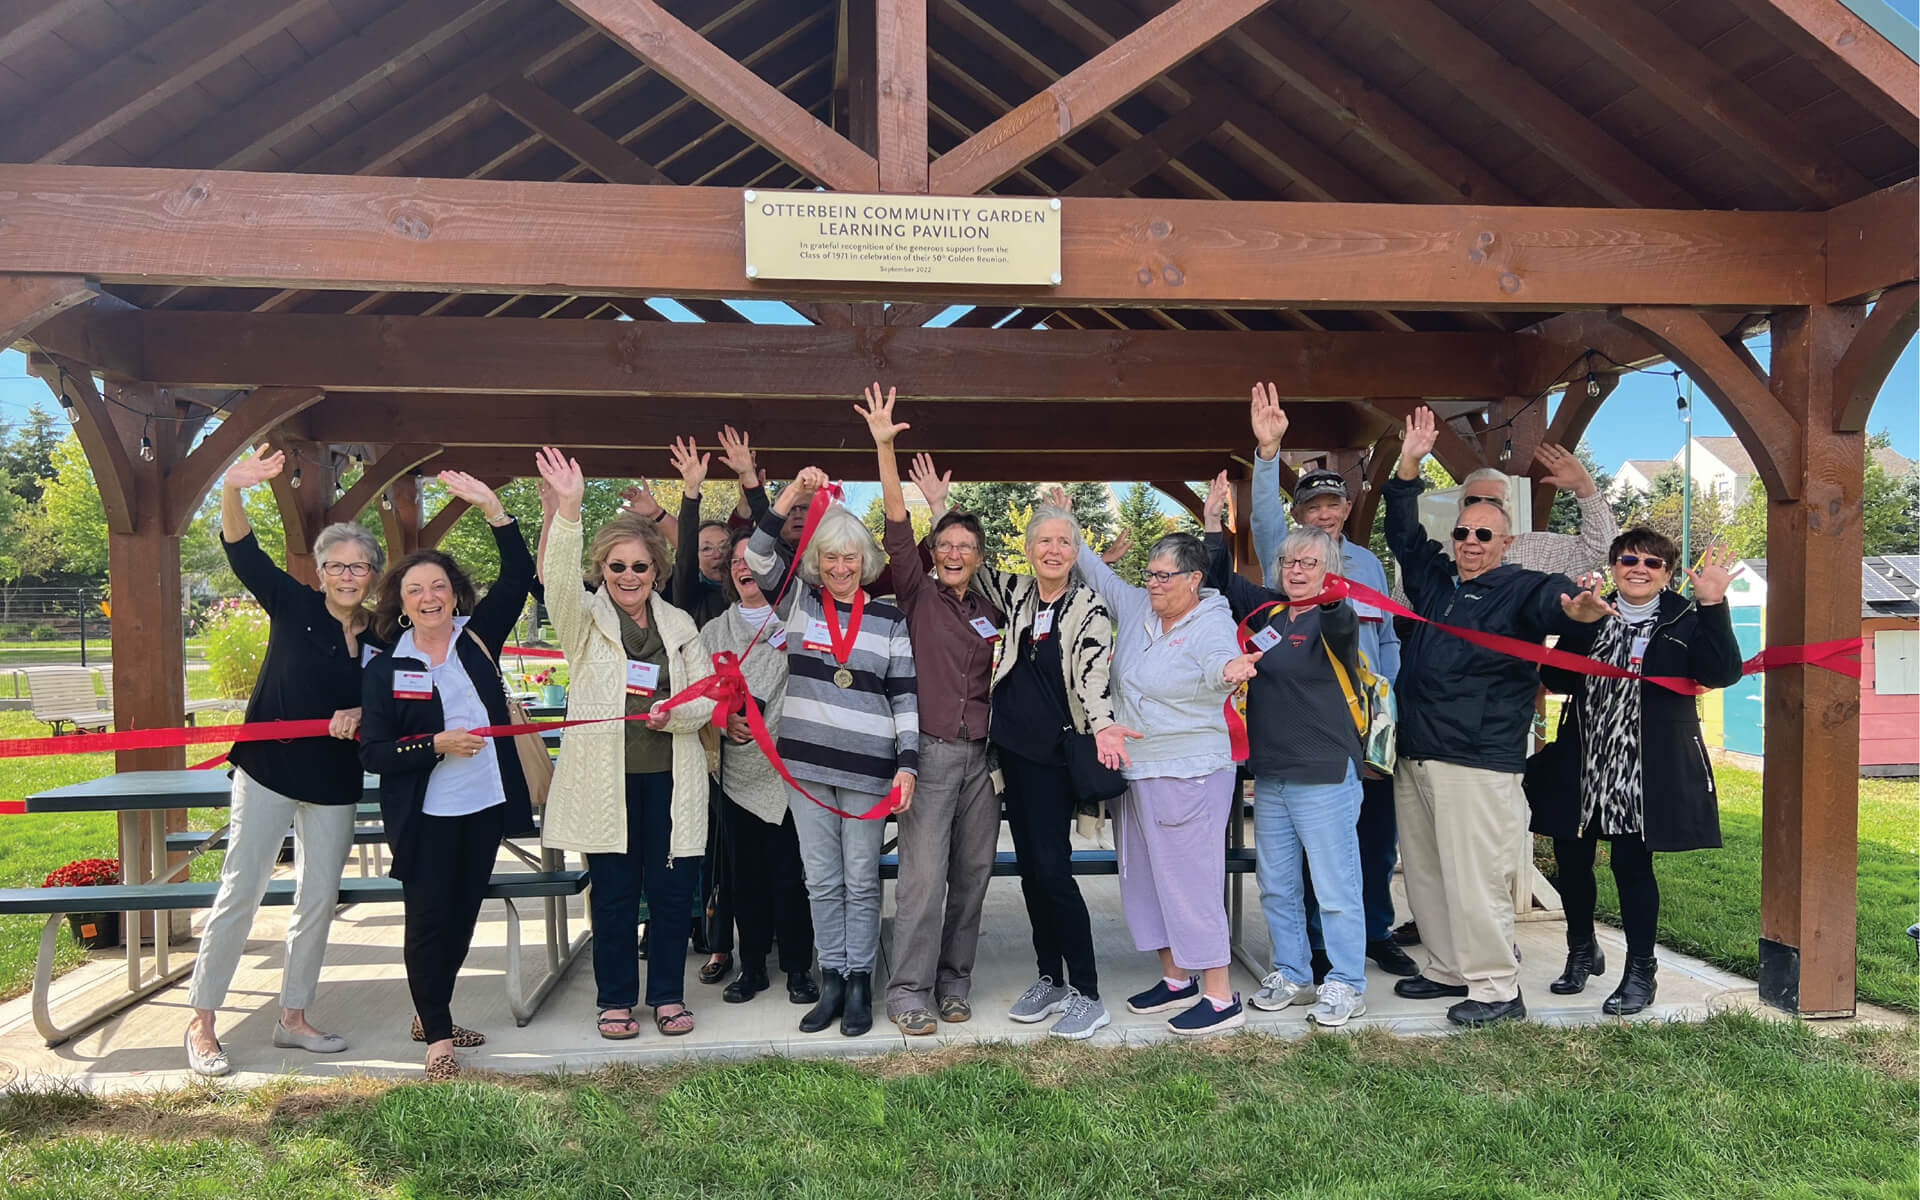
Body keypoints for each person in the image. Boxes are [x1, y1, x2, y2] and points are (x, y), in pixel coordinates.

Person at [1385, 407, 1613, 1028]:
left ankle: (1495, 988)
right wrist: (1408, 465)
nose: (1470, 544)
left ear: (1505, 542)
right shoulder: (1436, 583)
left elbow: (1560, 608)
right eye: (1463, 534)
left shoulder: (1520, 585)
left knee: (1475, 877)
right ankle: (1446, 968)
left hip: (1478, 757)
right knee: (1427, 872)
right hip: (1419, 748)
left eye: (1483, 535)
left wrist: (1583, 613)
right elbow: (1403, 535)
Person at [182, 447, 385, 1078]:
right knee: (241, 890)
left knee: (318, 898)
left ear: (373, 575)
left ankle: (293, 1017)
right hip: (267, 771)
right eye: (336, 566)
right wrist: (233, 487)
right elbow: (244, 553)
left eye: (359, 566)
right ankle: (203, 1022)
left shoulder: (381, 637)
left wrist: (364, 717)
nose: (347, 575)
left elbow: (397, 704)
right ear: (321, 572)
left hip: (333, 782)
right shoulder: (294, 604)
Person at [911, 458, 1119, 1040]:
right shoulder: (1019, 595)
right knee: (1030, 873)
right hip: (1014, 764)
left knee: (1054, 873)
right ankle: (1048, 978)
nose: (1052, 550)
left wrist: (1103, 725)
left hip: (1057, 763)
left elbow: (1092, 676)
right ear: (1028, 550)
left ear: (1076, 551)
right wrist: (936, 507)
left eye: (1063, 541)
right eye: (1043, 541)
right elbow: (964, 568)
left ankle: (1088, 991)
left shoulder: (1089, 609)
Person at [534, 447, 716, 1040]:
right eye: (617, 567)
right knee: (613, 896)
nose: (629, 577)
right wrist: (568, 510)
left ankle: (666, 995)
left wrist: (676, 719)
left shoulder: (681, 627)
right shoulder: (583, 623)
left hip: (671, 781)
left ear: (656, 571)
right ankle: (615, 998)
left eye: (639, 567)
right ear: (602, 571)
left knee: (670, 894)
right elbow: (557, 580)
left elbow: (707, 700)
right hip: (606, 785)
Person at [359, 472, 535, 1079]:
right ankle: (438, 1039)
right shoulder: (387, 668)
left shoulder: (477, 638)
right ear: (400, 601)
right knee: (428, 919)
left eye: (439, 586)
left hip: (483, 803)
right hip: (424, 815)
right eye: (415, 589)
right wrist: (432, 744)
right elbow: (374, 754)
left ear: (455, 595)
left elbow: (517, 577)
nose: (429, 596)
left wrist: (493, 509)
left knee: (461, 915)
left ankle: (428, 1009)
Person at [1530, 534, 1744, 1015]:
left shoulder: (1685, 619)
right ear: (1613, 566)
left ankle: (1641, 970)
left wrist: (1713, 603)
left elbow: (1724, 671)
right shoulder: (1593, 611)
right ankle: (1582, 950)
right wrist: (1579, 627)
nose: (1639, 568)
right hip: (1584, 759)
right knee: (1571, 859)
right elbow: (1560, 679)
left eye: (1653, 561)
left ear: (1667, 572)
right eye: (1629, 559)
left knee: (1631, 866)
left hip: (1643, 767)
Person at [1244, 384, 1414, 979]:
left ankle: (1376, 933)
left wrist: (1385, 712)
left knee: (1372, 839)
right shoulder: (1285, 561)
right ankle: (1313, 949)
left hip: (1368, 723)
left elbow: (1388, 640)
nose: (1322, 513)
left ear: (1345, 510)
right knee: (1306, 853)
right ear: (1300, 516)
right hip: (1311, 730)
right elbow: (1263, 516)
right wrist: (1269, 454)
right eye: (1311, 506)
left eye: (1331, 505)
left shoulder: (1368, 566)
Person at [745, 466, 917, 1038]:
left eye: (850, 558)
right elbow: (758, 553)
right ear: (817, 562)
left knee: (862, 879)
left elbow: (904, 697)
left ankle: (862, 981)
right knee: (821, 879)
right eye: (829, 559)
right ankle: (833, 979)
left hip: (870, 770)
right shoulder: (799, 603)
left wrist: (908, 766)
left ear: (863, 561)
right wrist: (793, 492)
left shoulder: (890, 618)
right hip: (808, 769)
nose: (840, 568)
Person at [1073, 519, 1261, 1037]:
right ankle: (1176, 979)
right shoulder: (1137, 608)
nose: (1152, 583)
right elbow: (1096, 574)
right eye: (1149, 574)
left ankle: (1221, 996)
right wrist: (1070, 525)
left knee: (1190, 883)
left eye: (1163, 576)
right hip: (1134, 770)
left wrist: (1230, 671)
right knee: (1144, 879)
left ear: (1194, 578)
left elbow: (1220, 662)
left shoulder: (1210, 623)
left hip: (1189, 772)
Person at [854, 386, 1003, 1036]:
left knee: (972, 877)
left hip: (985, 761)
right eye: (944, 543)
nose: (952, 552)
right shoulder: (915, 591)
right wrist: (885, 445)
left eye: (964, 546)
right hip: (932, 753)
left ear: (977, 555)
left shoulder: (991, 608)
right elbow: (894, 519)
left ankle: (953, 983)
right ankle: (908, 991)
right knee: (922, 881)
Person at [1201, 478, 1370, 1027]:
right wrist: (1211, 524)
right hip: (1271, 774)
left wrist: (1333, 592)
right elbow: (1221, 579)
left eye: (1308, 563)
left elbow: (1344, 621)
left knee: (1335, 886)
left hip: (1323, 772)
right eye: (1288, 562)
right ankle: (1294, 974)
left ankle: (1345, 982)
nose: (1296, 570)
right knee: (1277, 883)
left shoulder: (1335, 616)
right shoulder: (1270, 612)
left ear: (1329, 568)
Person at [700, 528, 818, 1007]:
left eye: (754, 558)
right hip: (736, 772)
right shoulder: (713, 632)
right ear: (729, 574)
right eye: (735, 562)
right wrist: (721, 719)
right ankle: (751, 968)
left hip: (788, 770)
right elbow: (699, 690)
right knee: (743, 876)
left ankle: (797, 969)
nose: (744, 567)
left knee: (792, 874)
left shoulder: (796, 621)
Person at [666, 430, 759, 988]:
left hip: (749, 736)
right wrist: (692, 494)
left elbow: (764, 544)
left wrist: (753, 481)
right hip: (699, 732)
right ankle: (712, 941)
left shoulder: (745, 598)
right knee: (700, 843)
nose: (719, 555)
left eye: (726, 549)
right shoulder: (685, 596)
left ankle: (749, 939)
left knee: (737, 846)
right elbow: (679, 552)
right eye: (708, 548)